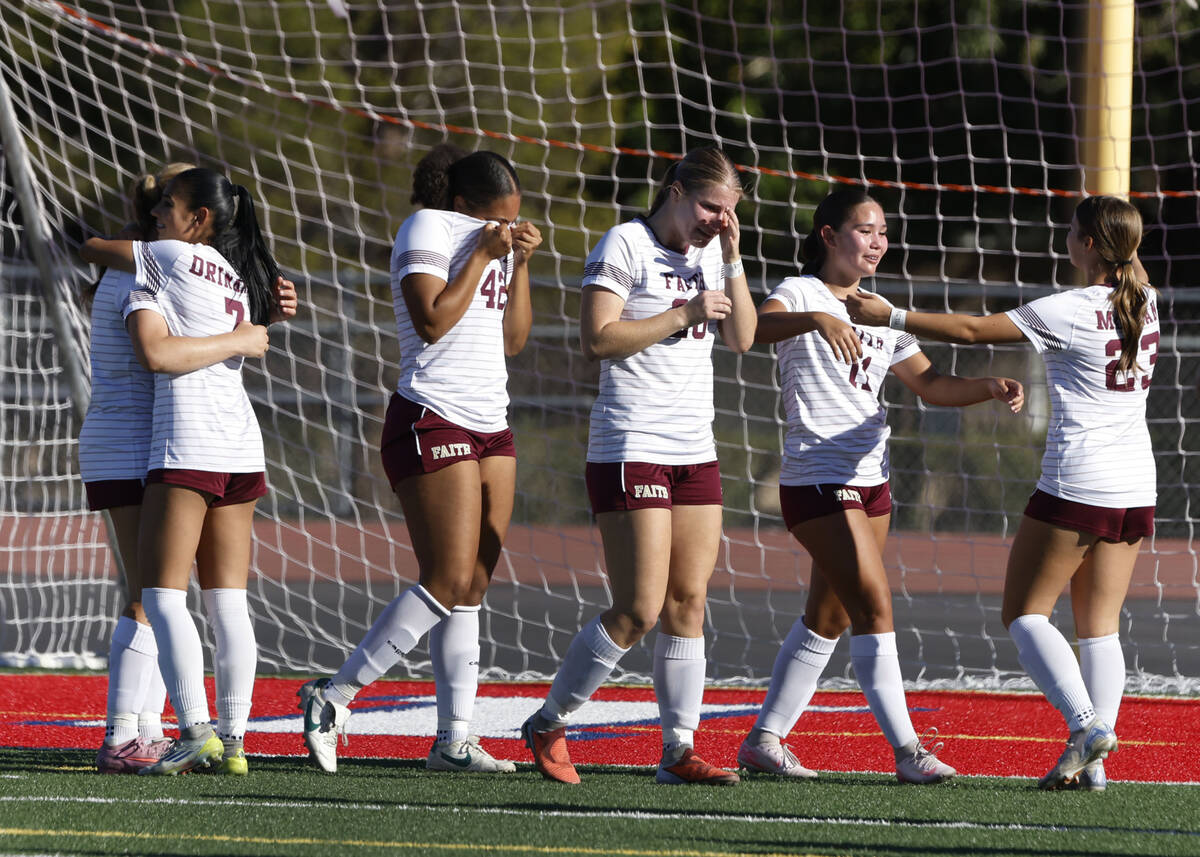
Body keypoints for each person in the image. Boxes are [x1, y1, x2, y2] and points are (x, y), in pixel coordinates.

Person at [846, 194, 1156, 791]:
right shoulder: (1147, 302)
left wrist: (892, 316)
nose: (1066, 237)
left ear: (1088, 243)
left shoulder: (1073, 307)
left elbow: (969, 328)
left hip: (1078, 482)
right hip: (1136, 483)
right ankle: (1095, 763)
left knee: (1023, 613)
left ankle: (1086, 725)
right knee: (1101, 627)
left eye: (1072, 230)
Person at [737, 189, 1024, 785]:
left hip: (873, 482)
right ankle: (908, 751)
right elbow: (755, 329)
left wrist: (989, 386)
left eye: (884, 232)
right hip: (819, 478)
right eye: (865, 230)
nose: (877, 242)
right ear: (829, 236)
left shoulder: (878, 307)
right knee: (875, 602)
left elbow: (933, 385)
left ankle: (765, 739)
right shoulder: (800, 294)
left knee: (829, 613)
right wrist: (818, 318)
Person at [298, 149, 542, 774]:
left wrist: (520, 265)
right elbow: (432, 321)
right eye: (498, 219)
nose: (506, 229)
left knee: (474, 586)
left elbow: (513, 340)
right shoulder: (429, 227)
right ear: (464, 206)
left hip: (492, 422)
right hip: (432, 414)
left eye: (514, 221)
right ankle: (335, 695)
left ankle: (453, 740)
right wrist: (486, 255)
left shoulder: (496, 245)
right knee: (446, 577)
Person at [521, 146, 756, 786]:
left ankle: (679, 751)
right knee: (639, 609)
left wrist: (731, 258)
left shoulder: (714, 254)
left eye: (730, 213)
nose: (718, 221)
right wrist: (683, 313)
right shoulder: (625, 242)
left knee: (690, 602)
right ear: (675, 190)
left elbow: (743, 338)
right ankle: (549, 721)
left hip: (694, 448)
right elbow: (597, 338)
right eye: (711, 207)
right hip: (632, 442)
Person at [80, 166, 288, 776]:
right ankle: (156, 732)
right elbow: (195, 340)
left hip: (177, 443)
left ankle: (152, 731)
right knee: (172, 599)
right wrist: (253, 330)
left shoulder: (157, 267)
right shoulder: (181, 268)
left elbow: (166, 352)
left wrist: (255, 327)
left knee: (152, 597)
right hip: (149, 442)